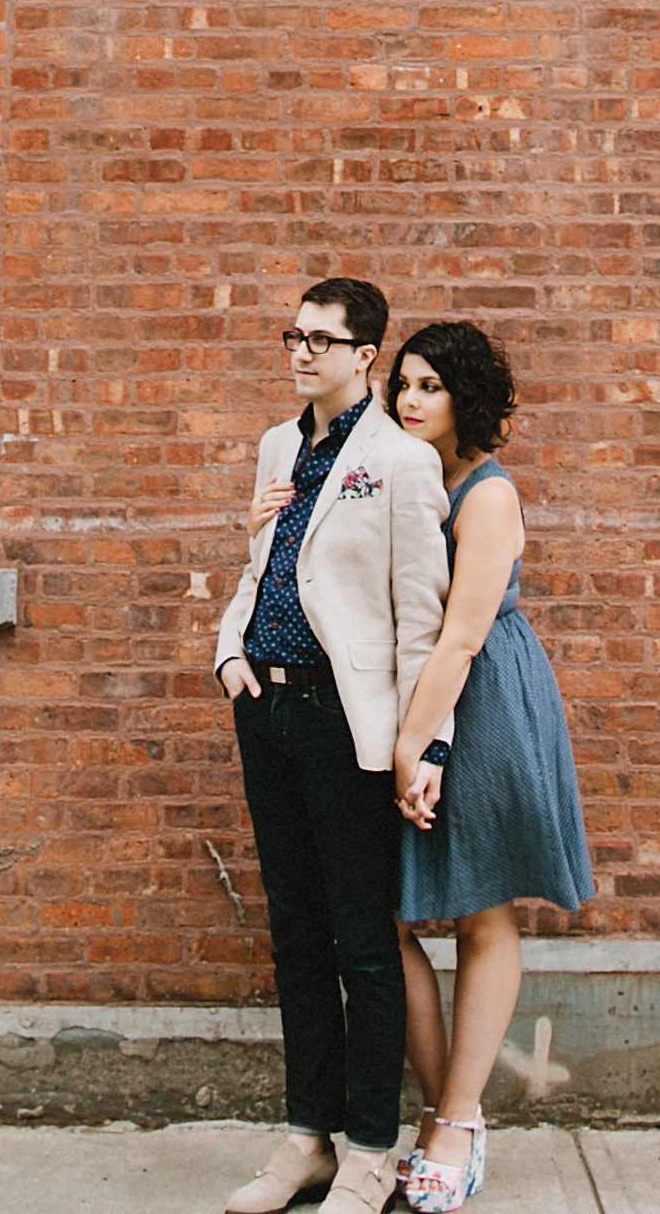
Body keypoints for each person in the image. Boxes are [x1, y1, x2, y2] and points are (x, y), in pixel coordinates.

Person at [211, 275, 455, 1214]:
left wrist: (422, 744)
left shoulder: (398, 461)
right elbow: (262, 563)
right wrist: (231, 650)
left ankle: (369, 1150)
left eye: (322, 338)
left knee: (363, 940)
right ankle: (306, 1136)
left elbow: (420, 621)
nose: (302, 350)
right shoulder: (280, 443)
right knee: (295, 934)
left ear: (365, 356)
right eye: (293, 335)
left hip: (346, 723)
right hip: (264, 711)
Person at [380, 321, 591, 1214]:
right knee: (382, 920)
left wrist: (414, 745)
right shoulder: (407, 475)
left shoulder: (487, 496)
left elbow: (464, 634)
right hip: (422, 699)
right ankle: (443, 1111)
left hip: (485, 706)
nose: (410, 400)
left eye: (430, 385)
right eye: (405, 384)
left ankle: (457, 1124)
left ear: (467, 397)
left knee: (482, 908)